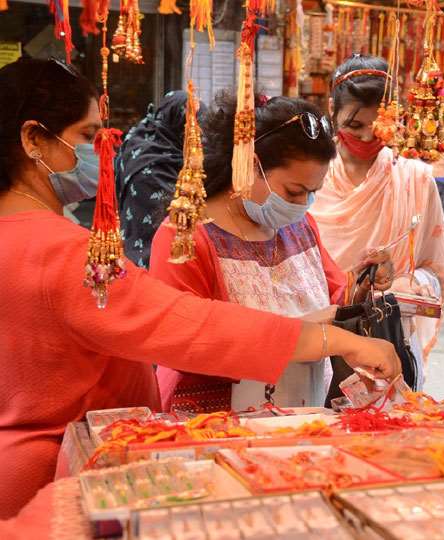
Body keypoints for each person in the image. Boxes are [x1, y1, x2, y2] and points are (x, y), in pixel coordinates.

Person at [0, 58, 400, 518]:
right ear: (33, 139)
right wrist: (331, 338)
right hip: (53, 484)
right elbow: (189, 325)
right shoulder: (65, 251)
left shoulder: (25, 235)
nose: (104, 150)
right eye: (89, 136)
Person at [150, 93, 395, 412]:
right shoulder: (186, 237)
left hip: (299, 408)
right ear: (251, 164)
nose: (302, 203)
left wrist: (364, 281)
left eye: (312, 193)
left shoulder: (299, 224)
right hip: (212, 420)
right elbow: (188, 341)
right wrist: (316, 336)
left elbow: (332, 300)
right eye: (294, 191)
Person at [309, 54, 444, 390]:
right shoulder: (309, 177)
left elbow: (436, 272)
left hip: (386, 341)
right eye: (353, 126)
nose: (364, 139)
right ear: (332, 110)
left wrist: (405, 282)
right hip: (315, 338)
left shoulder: (415, 180)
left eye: (378, 128)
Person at [115, 90, 205, 268]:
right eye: (192, 129)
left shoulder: (174, 154)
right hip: (146, 260)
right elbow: (172, 218)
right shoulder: (150, 163)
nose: (197, 137)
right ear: (177, 124)